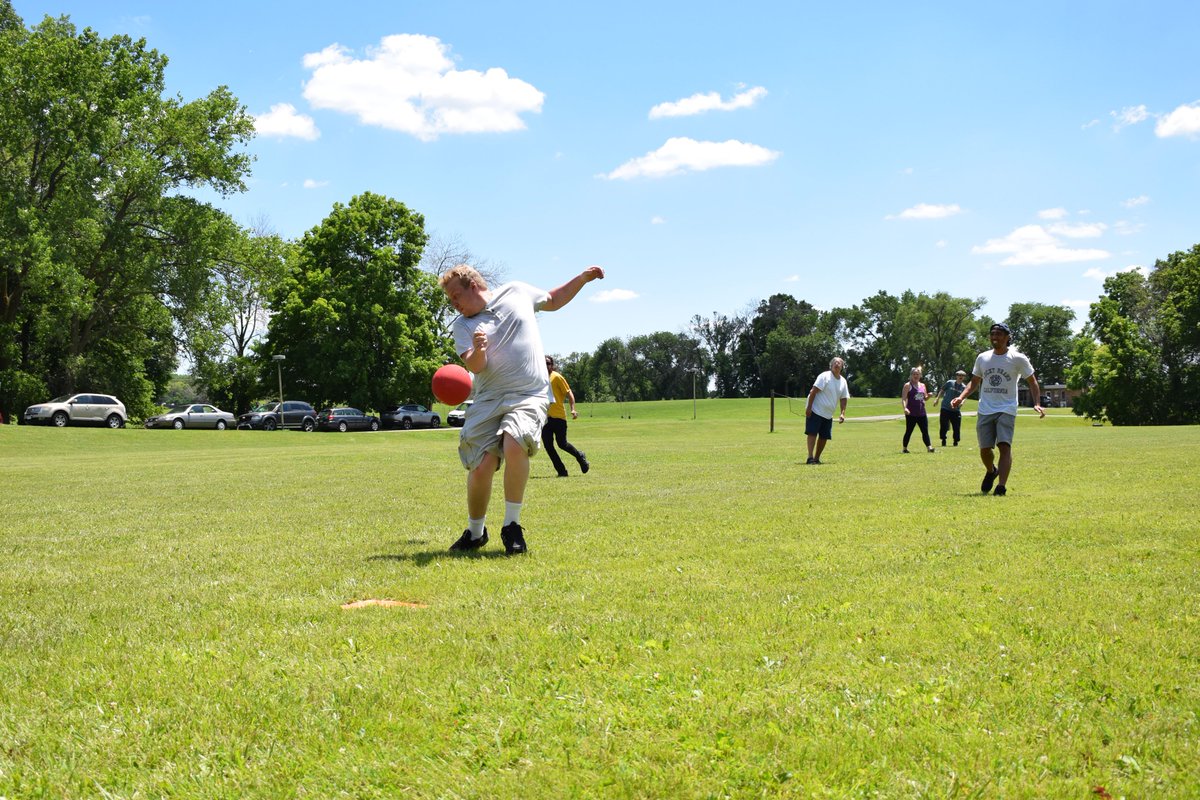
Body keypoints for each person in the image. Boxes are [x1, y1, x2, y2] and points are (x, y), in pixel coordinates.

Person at [440, 263, 605, 554]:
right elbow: (475, 365)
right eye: (450, 299)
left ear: (473, 285)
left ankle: (512, 526)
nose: (453, 303)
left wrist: (582, 278)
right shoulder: (462, 325)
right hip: (489, 398)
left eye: (456, 295)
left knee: (515, 444)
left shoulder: (516, 292)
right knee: (481, 468)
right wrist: (479, 350)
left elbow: (553, 300)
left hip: (528, 395)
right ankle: (476, 532)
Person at [951, 322, 1045, 496]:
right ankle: (991, 471)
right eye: (992, 334)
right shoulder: (983, 358)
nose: (995, 337)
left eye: (999, 334)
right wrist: (961, 397)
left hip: (1007, 408)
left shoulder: (1018, 358)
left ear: (1007, 337)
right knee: (985, 449)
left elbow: (1032, 381)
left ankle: (1001, 486)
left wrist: (1037, 403)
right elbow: (974, 382)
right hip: (985, 408)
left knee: (1004, 446)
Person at [541, 355, 590, 477]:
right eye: (543, 363)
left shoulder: (557, 377)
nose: (546, 365)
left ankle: (580, 456)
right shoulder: (539, 378)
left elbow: (569, 393)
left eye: (548, 363)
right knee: (548, 446)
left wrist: (573, 409)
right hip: (545, 418)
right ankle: (562, 471)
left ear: (552, 365)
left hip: (558, 417)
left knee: (562, 444)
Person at [804, 356, 850, 465]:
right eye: (835, 362)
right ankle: (810, 457)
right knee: (812, 433)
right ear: (831, 365)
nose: (837, 364)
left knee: (824, 436)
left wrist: (842, 413)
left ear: (842, 366)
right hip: (816, 410)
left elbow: (843, 398)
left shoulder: (843, 381)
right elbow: (813, 392)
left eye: (839, 363)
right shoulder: (825, 376)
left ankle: (816, 458)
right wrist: (809, 408)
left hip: (828, 414)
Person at [901, 366, 934, 453]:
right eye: (914, 374)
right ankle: (904, 448)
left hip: (921, 412)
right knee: (909, 431)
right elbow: (904, 398)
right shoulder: (907, 385)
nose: (916, 376)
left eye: (918, 374)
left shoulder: (922, 385)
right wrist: (905, 408)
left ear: (920, 375)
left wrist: (929, 396)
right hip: (911, 413)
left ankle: (929, 447)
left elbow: (924, 398)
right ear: (911, 375)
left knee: (925, 431)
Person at [933, 369, 968, 447]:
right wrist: (937, 399)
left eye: (962, 376)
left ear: (964, 377)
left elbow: (965, 396)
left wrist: (962, 402)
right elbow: (942, 390)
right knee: (944, 425)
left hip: (956, 410)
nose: (961, 377)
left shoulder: (964, 387)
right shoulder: (950, 383)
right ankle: (943, 440)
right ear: (956, 376)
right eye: (959, 375)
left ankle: (955, 442)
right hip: (945, 408)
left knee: (956, 426)